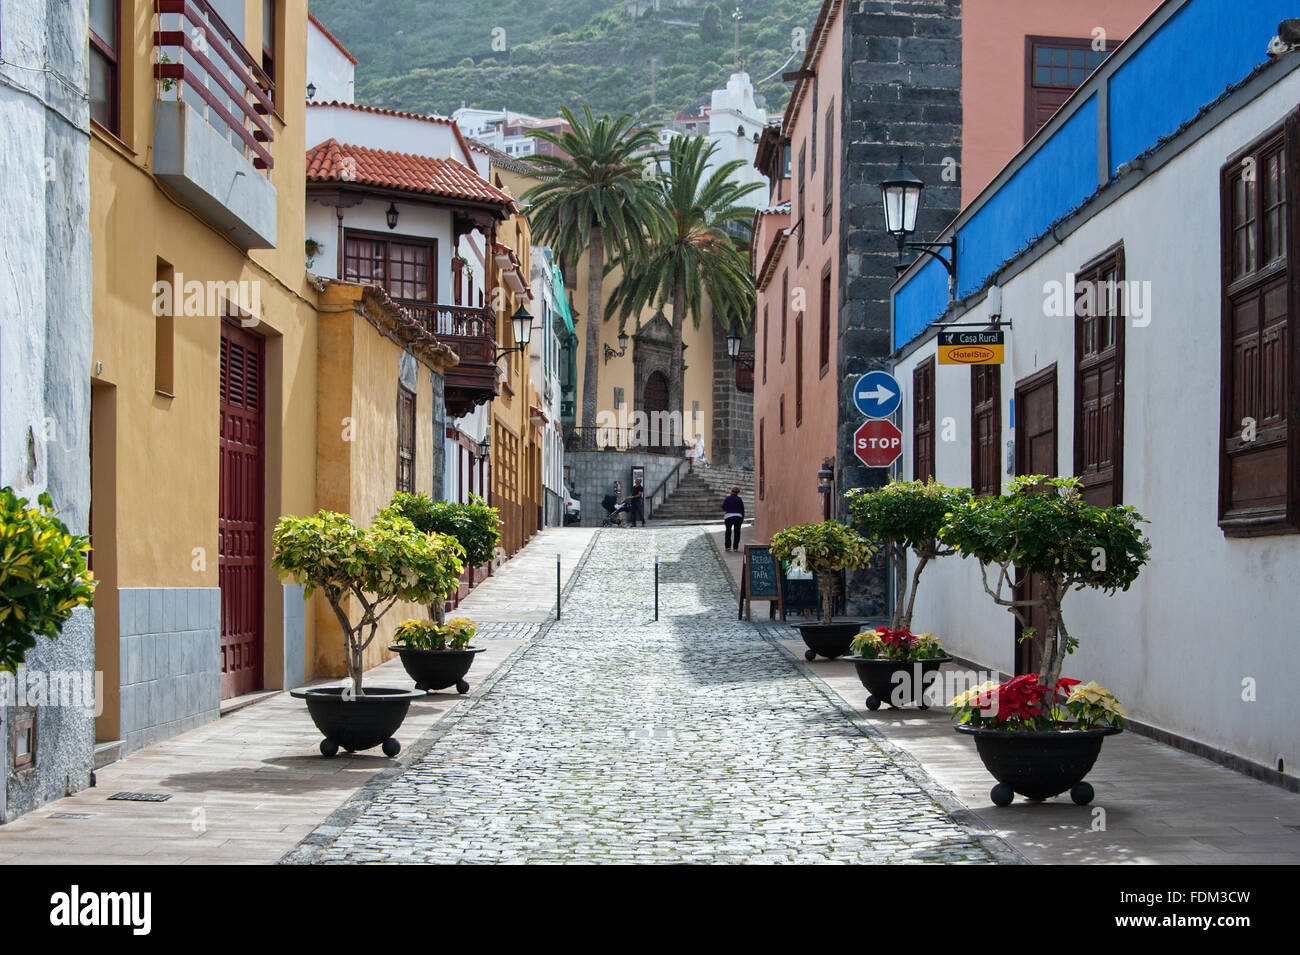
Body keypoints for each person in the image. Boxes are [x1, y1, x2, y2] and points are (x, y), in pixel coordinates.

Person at [722, 486, 744, 551]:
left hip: (728, 516)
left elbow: (723, 507)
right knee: (737, 532)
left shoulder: (727, 498)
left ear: (731, 491)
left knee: (728, 531)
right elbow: (742, 509)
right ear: (738, 493)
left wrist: (728, 509)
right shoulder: (739, 499)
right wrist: (742, 517)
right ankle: (735, 547)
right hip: (738, 516)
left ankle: (728, 546)